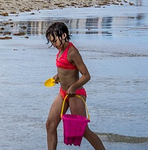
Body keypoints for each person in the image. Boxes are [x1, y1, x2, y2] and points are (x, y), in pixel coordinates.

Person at [45, 22, 105, 150]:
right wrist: (57, 77)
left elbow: (86, 75)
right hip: (63, 93)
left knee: (83, 130)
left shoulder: (72, 52)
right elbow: (66, 69)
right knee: (50, 125)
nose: (53, 44)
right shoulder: (61, 50)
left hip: (76, 94)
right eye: (51, 42)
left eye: (54, 41)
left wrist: (73, 87)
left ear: (64, 35)